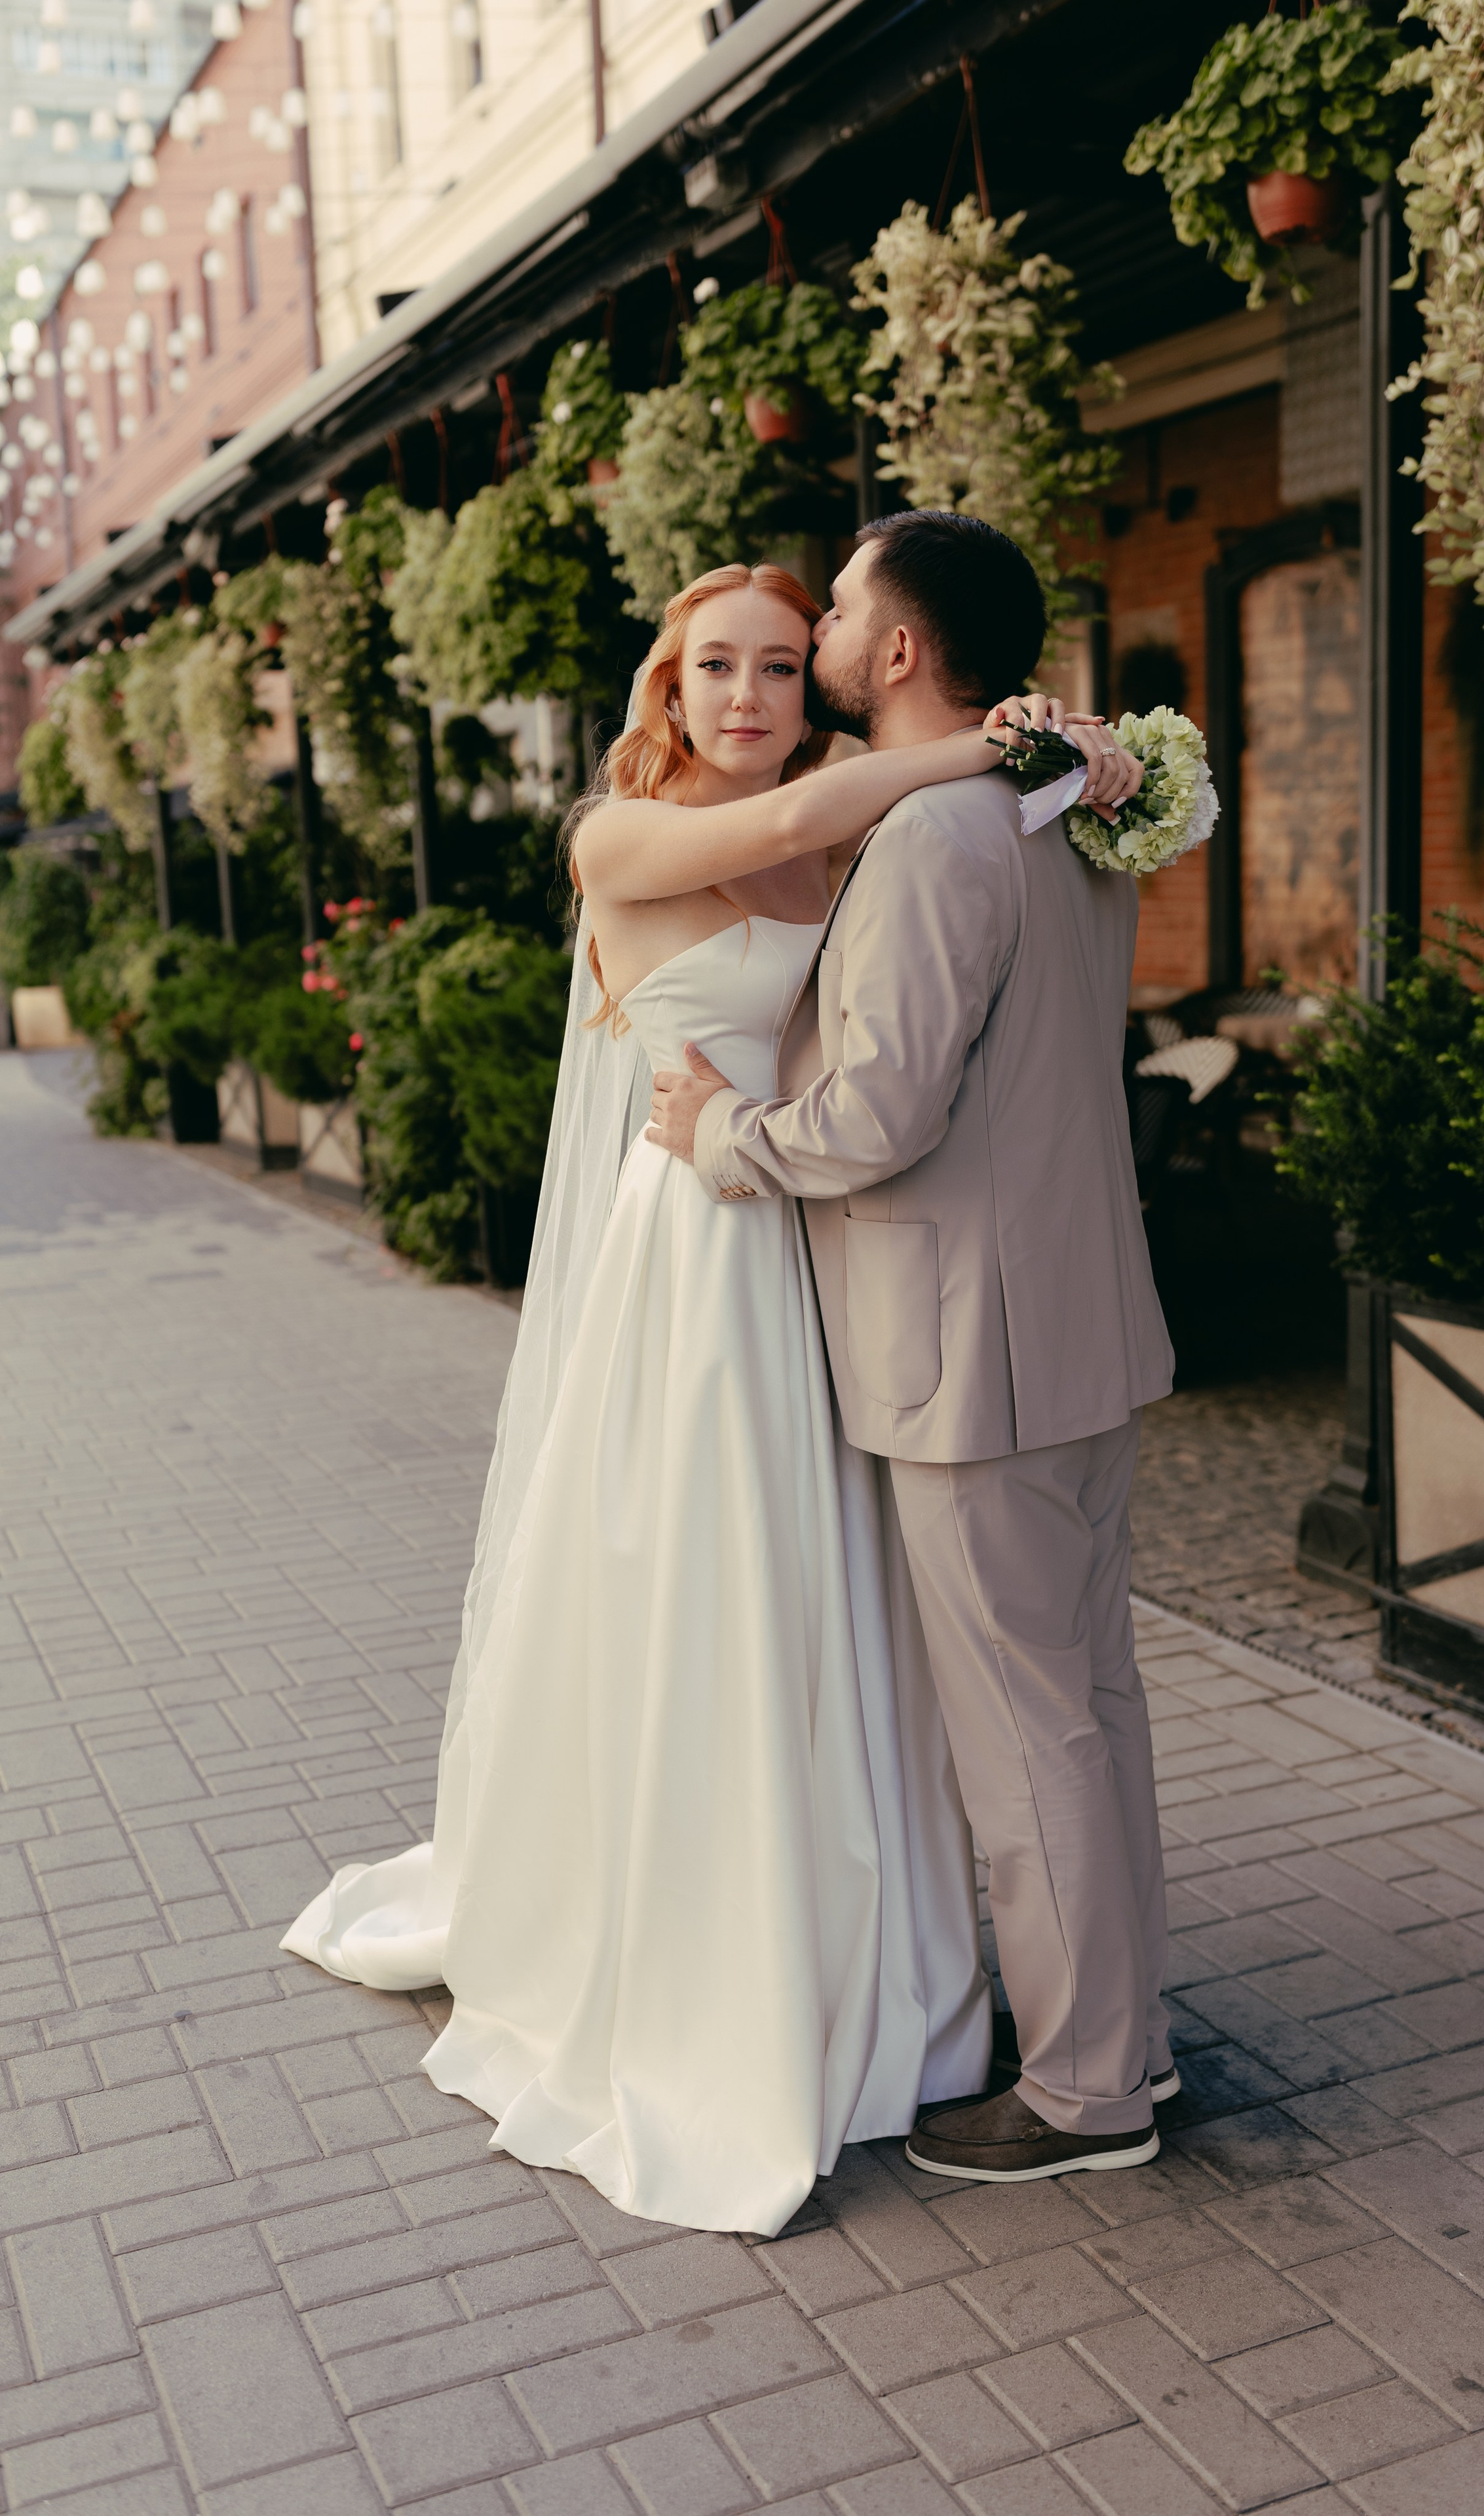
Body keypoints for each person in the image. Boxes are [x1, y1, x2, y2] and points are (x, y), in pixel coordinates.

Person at [282, 559, 1133, 2237]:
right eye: (715, 668)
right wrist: (1005, 746)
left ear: (831, 676)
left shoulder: (874, 829)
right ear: (664, 691)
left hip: (832, 1258)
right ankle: (718, 1957)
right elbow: (796, 826)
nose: (749, 693)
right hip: (699, 1250)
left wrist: (1048, 752)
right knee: (720, 1596)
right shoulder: (627, 834)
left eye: (780, 663)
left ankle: (889, 1963)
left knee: (853, 1618)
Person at [649, 512, 1179, 2184]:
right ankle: (1124, 2041)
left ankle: (1082, 2094)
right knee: (1088, 1702)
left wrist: (724, 1133)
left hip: (973, 1358)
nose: (811, 636)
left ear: (892, 650)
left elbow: (875, 1116)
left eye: (834, 607)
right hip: (1077, 1326)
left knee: (1027, 1731)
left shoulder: (943, 832)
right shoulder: (1062, 800)